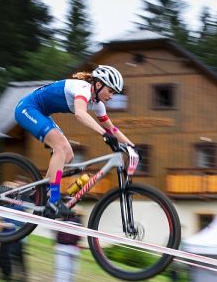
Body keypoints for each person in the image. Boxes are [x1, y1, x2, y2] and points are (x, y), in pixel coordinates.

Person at [14, 65, 134, 219]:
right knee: (59, 148)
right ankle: (54, 200)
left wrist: (132, 147)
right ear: (98, 85)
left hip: (41, 113)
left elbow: (113, 129)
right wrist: (104, 134)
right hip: (27, 109)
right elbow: (80, 114)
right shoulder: (83, 88)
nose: (111, 96)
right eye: (110, 91)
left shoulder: (98, 104)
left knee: (68, 155)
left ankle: (38, 193)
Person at [53, 214, 82, 282]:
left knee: (72, 270)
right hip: (63, 247)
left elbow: (79, 235)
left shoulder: (78, 220)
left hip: (72, 248)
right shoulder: (66, 218)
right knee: (63, 269)